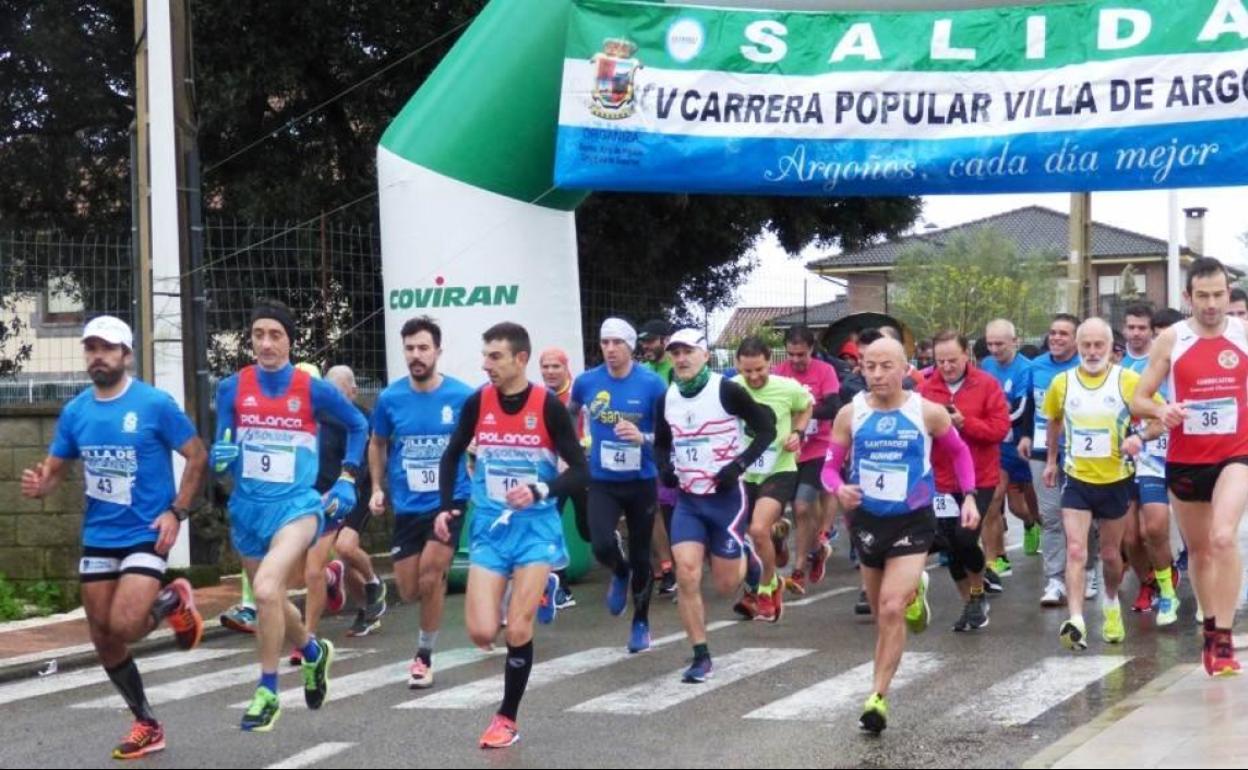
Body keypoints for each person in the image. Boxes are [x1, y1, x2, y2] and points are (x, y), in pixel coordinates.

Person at [20, 316, 208, 759]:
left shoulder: (153, 404)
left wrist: (176, 512)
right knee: (104, 636)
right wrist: (42, 484)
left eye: (107, 348)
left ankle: (170, 602)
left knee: (125, 624)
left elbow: (196, 455)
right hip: (100, 535)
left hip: (145, 532)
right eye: (91, 348)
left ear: (126, 355)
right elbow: (57, 467)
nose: (97, 356)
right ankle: (146, 721)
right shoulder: (76, 411)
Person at [210, 300, 368, 732]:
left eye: (275, 335)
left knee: (264, 588)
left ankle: (267, 691)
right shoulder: (231, 388)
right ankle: (314, 654)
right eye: (258, 334)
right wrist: (219, 459)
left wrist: (348, 477)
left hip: (298, 506)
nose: (265, 343)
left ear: (290, 342)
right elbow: (220, 450)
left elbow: (358, 425)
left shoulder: (311, 388)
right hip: (247, 509)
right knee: (273, 600)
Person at [434, 322, 588, 748]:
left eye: (495, 357)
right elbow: (451, 455)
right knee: (482, 633)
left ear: (521, 359)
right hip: (490, 528)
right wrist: (447, 505)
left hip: (535, 530)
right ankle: (539, 588)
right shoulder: (478, 402)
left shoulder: (548, 407)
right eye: (485, 356)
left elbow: (580, 470)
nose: (487, 365)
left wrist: (541, 488)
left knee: (518, 630)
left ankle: (506, 718)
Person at [822, 337, 979, 733]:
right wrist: (838, 488)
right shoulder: (849, 414)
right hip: (868, 521)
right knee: (881, 614)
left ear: (904, 368)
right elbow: (830, 467)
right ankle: (916, 593)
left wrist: (970, 497)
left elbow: (959, 453)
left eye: (885, 366)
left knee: (892, 607)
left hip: (913, 519)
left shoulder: (927, 412)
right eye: (869, 366)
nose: (876, 374)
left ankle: (877, 696)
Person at [1132, 258, 1248, 676]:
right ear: (1188, 297)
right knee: (1199, 551)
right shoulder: (1171, 339)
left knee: (1222, 538)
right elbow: (1139, 400)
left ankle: (1224, 637)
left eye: (1219, 294)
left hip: (1237, 452)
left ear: (1227, 291)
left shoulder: (1243, 334)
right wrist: (1165, 409)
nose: (1213, 303)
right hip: (1186, 457)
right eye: (1204, 296)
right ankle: (1209, 627)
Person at [654, 329, 776, 683]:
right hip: (690, 501)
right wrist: (665, 469)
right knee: (687, 573)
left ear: (705, 355)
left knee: (725, 585)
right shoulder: (668, 397)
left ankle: (750, 560)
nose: (680, 359)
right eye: (674, 353)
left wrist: (738, 466)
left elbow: (766, 429)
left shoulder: (727, 390)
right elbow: (662, 444)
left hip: (725, 499)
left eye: (688, 352)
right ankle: (700, 655)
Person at [1044, 318, 1165, 650]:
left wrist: (1138, 437)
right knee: (1075, 549)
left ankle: (1111, 601)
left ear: (1112, 348)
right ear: (1078, 347)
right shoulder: (1062, 383)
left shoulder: (1128, 381)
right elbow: (1054, 422)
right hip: (1077, 479)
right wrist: (1052, 461)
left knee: (1111, 554)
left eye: (1099, 345)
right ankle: (1077, 620)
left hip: (1116, 480)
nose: (1092, 352)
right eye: (1086, 345)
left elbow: (1159, 419)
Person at [370, 317, 474, 688]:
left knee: (431, 574)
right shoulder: (390, 398)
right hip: (408, 505)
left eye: (423, 348)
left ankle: (423, 656)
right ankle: (436, 585)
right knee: (410, 588)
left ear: (438, 351)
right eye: (410, 348)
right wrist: (377, 488)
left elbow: (482, 438)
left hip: (450, 498)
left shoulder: (462, 396)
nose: (416, 355)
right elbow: (378, 443)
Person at [568, 318, 668, 651]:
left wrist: (643, 437)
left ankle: (641, 621)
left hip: (641, 482)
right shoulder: (586, 382)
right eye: (605, 343)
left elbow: (668, 435)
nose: (610, 349)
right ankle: (618, 571)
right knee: (599, 544)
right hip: (603, 480)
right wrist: (570, 449)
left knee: (643, 555)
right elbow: (568, 416)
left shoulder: (652, 385)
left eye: (617, 343)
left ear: (630, 347)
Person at [919, 331, 1010, 631]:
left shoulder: (986, 384)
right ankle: (971, 603)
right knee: (950, 546)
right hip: (942, 479)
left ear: (966, 356)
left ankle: (978, 591)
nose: (946, 367)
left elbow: (999, 430)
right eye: (940, 361)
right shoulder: (926, 388)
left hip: (980, 477)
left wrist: (964, 423)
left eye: (952, 360)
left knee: (965, 537)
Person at [732, 336, 813, 622]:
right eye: (747, 371)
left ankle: (767, 586)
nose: (754, 377)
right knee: (741, 534)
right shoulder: (731, 389)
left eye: (760, 370)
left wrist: (798, 432)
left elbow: (806, 405)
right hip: (745, 471)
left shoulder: (786, 387)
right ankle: (776, 538)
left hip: (780, 467)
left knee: (757, 529)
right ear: (737, 366)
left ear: (770, 364)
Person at [1019, 314, 1089, 607]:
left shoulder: (1085, 367)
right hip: (1040, 449)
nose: (1056, 338)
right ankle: (1055, 580)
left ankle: (1089, 572)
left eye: (1063, 333)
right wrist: (1023, 435)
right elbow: (1028, 405)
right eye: (1052, 332)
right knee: (1050, 517)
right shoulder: (1037, 366)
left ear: (1076, 339)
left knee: (1085, 518)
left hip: (1080, 450)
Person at [1117, 305, 1180, 624]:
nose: (1141, 335)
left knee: (1153, 528)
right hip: (1130, 456)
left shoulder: (1173, 364)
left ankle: (1169, 588)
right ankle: (1149, 584)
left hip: (1160, 454)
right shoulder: (1120, 366)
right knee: (1130, 537)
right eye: (1133, 327)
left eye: (1148, 330)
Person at [772, 326, 841, 596]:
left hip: (817, 450)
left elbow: (833, 406)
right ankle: (811, 549)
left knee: (802, 506)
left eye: (801, 354)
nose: (796, 360)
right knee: (775, 512)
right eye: (791, 354)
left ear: (811, 349)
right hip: (788, 450)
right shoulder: (779, 373)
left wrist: (805, 413)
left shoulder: (825, 372)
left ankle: (798, 571)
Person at [980, 319, 1041, 575]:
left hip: (1025, 445)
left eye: (1000, 344)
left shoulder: (1027, 369)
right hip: (998, 447)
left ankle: (1033, 524)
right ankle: (996, 559)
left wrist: (993, 416)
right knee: (993, 500)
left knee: (1025, 508)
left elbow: (1019, 411)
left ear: (1014, 341)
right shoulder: (985, 365)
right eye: (990, 344)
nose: (994, 349)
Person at [539, 346, 587, 610]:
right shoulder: (538, 397)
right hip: (554, 475)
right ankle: (560, 586)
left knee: (587, 528)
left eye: (555, 366)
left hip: (581, 469)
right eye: (545, 367)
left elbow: (591, 429)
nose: (550, 372)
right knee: (549, 523)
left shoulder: (578, 396)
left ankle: (611, 548)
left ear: (566, 368)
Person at [638, 319, 679, 595]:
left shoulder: (675, 370)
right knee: (652, 509)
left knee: (670, 510)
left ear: (665, 340)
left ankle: (681, 565)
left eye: (651, 341)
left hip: (674, 448)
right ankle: (666, 567)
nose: (646, 346)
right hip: (646, 448)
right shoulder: (642, 369)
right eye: (643, 341)